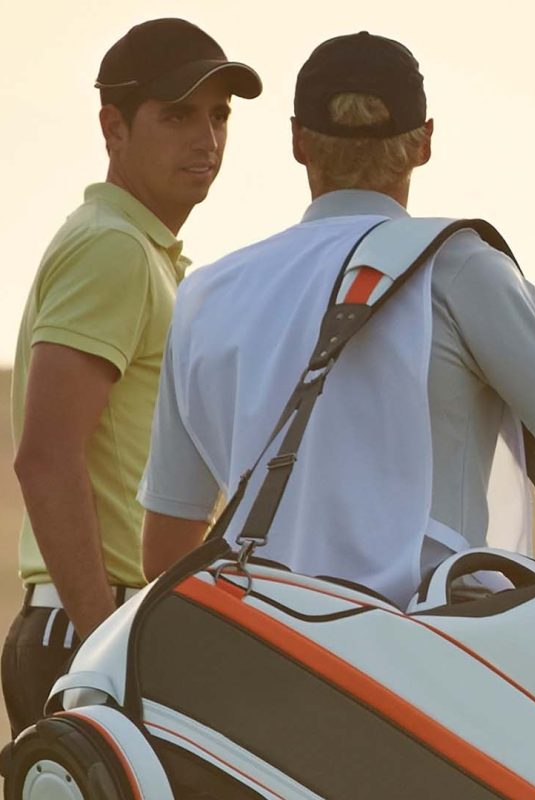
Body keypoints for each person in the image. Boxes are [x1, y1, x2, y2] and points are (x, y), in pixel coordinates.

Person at [139, 32, 535, 613]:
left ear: (299, 141)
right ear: (424, 141)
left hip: (269, 673)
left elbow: (165, 550)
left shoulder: (205, 296)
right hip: (428, 671)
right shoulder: (457, 268)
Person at [2, 18, 262, 738]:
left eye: (218, 116)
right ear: (112, 126)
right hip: (90, 635)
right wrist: (104, 649)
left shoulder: (143, 251)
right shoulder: (111, 249)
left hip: (110, 628)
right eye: (177, 114)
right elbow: (46, 459)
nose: (205, 139)